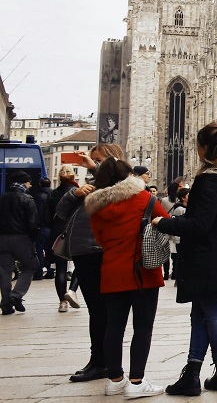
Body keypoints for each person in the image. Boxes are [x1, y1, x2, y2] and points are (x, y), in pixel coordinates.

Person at [152, 123, 217, 396]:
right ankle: (194, 373)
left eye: (198, 145)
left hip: (207, 257)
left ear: (206, 148)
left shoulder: (209, 180)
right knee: (200, 316)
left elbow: (200, 224)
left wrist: (165, 222)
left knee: (212, 314)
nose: (195, 150)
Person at [85, 158, 170, 397]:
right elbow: (167, 223)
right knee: (142, 327)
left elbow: (100, 239)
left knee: (114, 326)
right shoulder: (145, 199)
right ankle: (136, 381)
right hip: (143, 271)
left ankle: (114, 379)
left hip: (112, 271)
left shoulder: (96, 206)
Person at [59, 142, 126, 383]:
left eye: (99, 161)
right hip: (83, 252)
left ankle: (102, 362)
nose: (93, 165)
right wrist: (74, 193)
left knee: (101, 310)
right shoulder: (93, 187)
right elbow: (60, 211)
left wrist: (94, 168)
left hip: (98, 250)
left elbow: (119, 179)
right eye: (92, 161)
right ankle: (99, 360)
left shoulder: (116, 186)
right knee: (97, 310)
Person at [0, 170, 39, 315]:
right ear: (24, 182)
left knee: (4, 271)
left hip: (2, 239)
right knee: (31, 266)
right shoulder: (27, 199)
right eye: (29, 182)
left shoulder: (2, 198)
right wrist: (33, 239)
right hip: (22, 238)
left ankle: (5, 304)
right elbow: (33, 223)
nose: (30, 185)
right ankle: (16, 295)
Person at [48, 168, 81, 311]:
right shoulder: (79, 192)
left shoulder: (53, 193)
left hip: (58, 231)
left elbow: (48, 214)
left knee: (60, 268)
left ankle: (62, 302)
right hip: (75, 231)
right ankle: (72, 291)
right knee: (80, 265)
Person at [163, 188, 189, 284]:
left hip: (182, 237)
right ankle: (177, 278)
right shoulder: (179, 209)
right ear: (183, 198)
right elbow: (177, 224)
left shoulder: (185, 207)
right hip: (179, 238)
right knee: (177, 257)